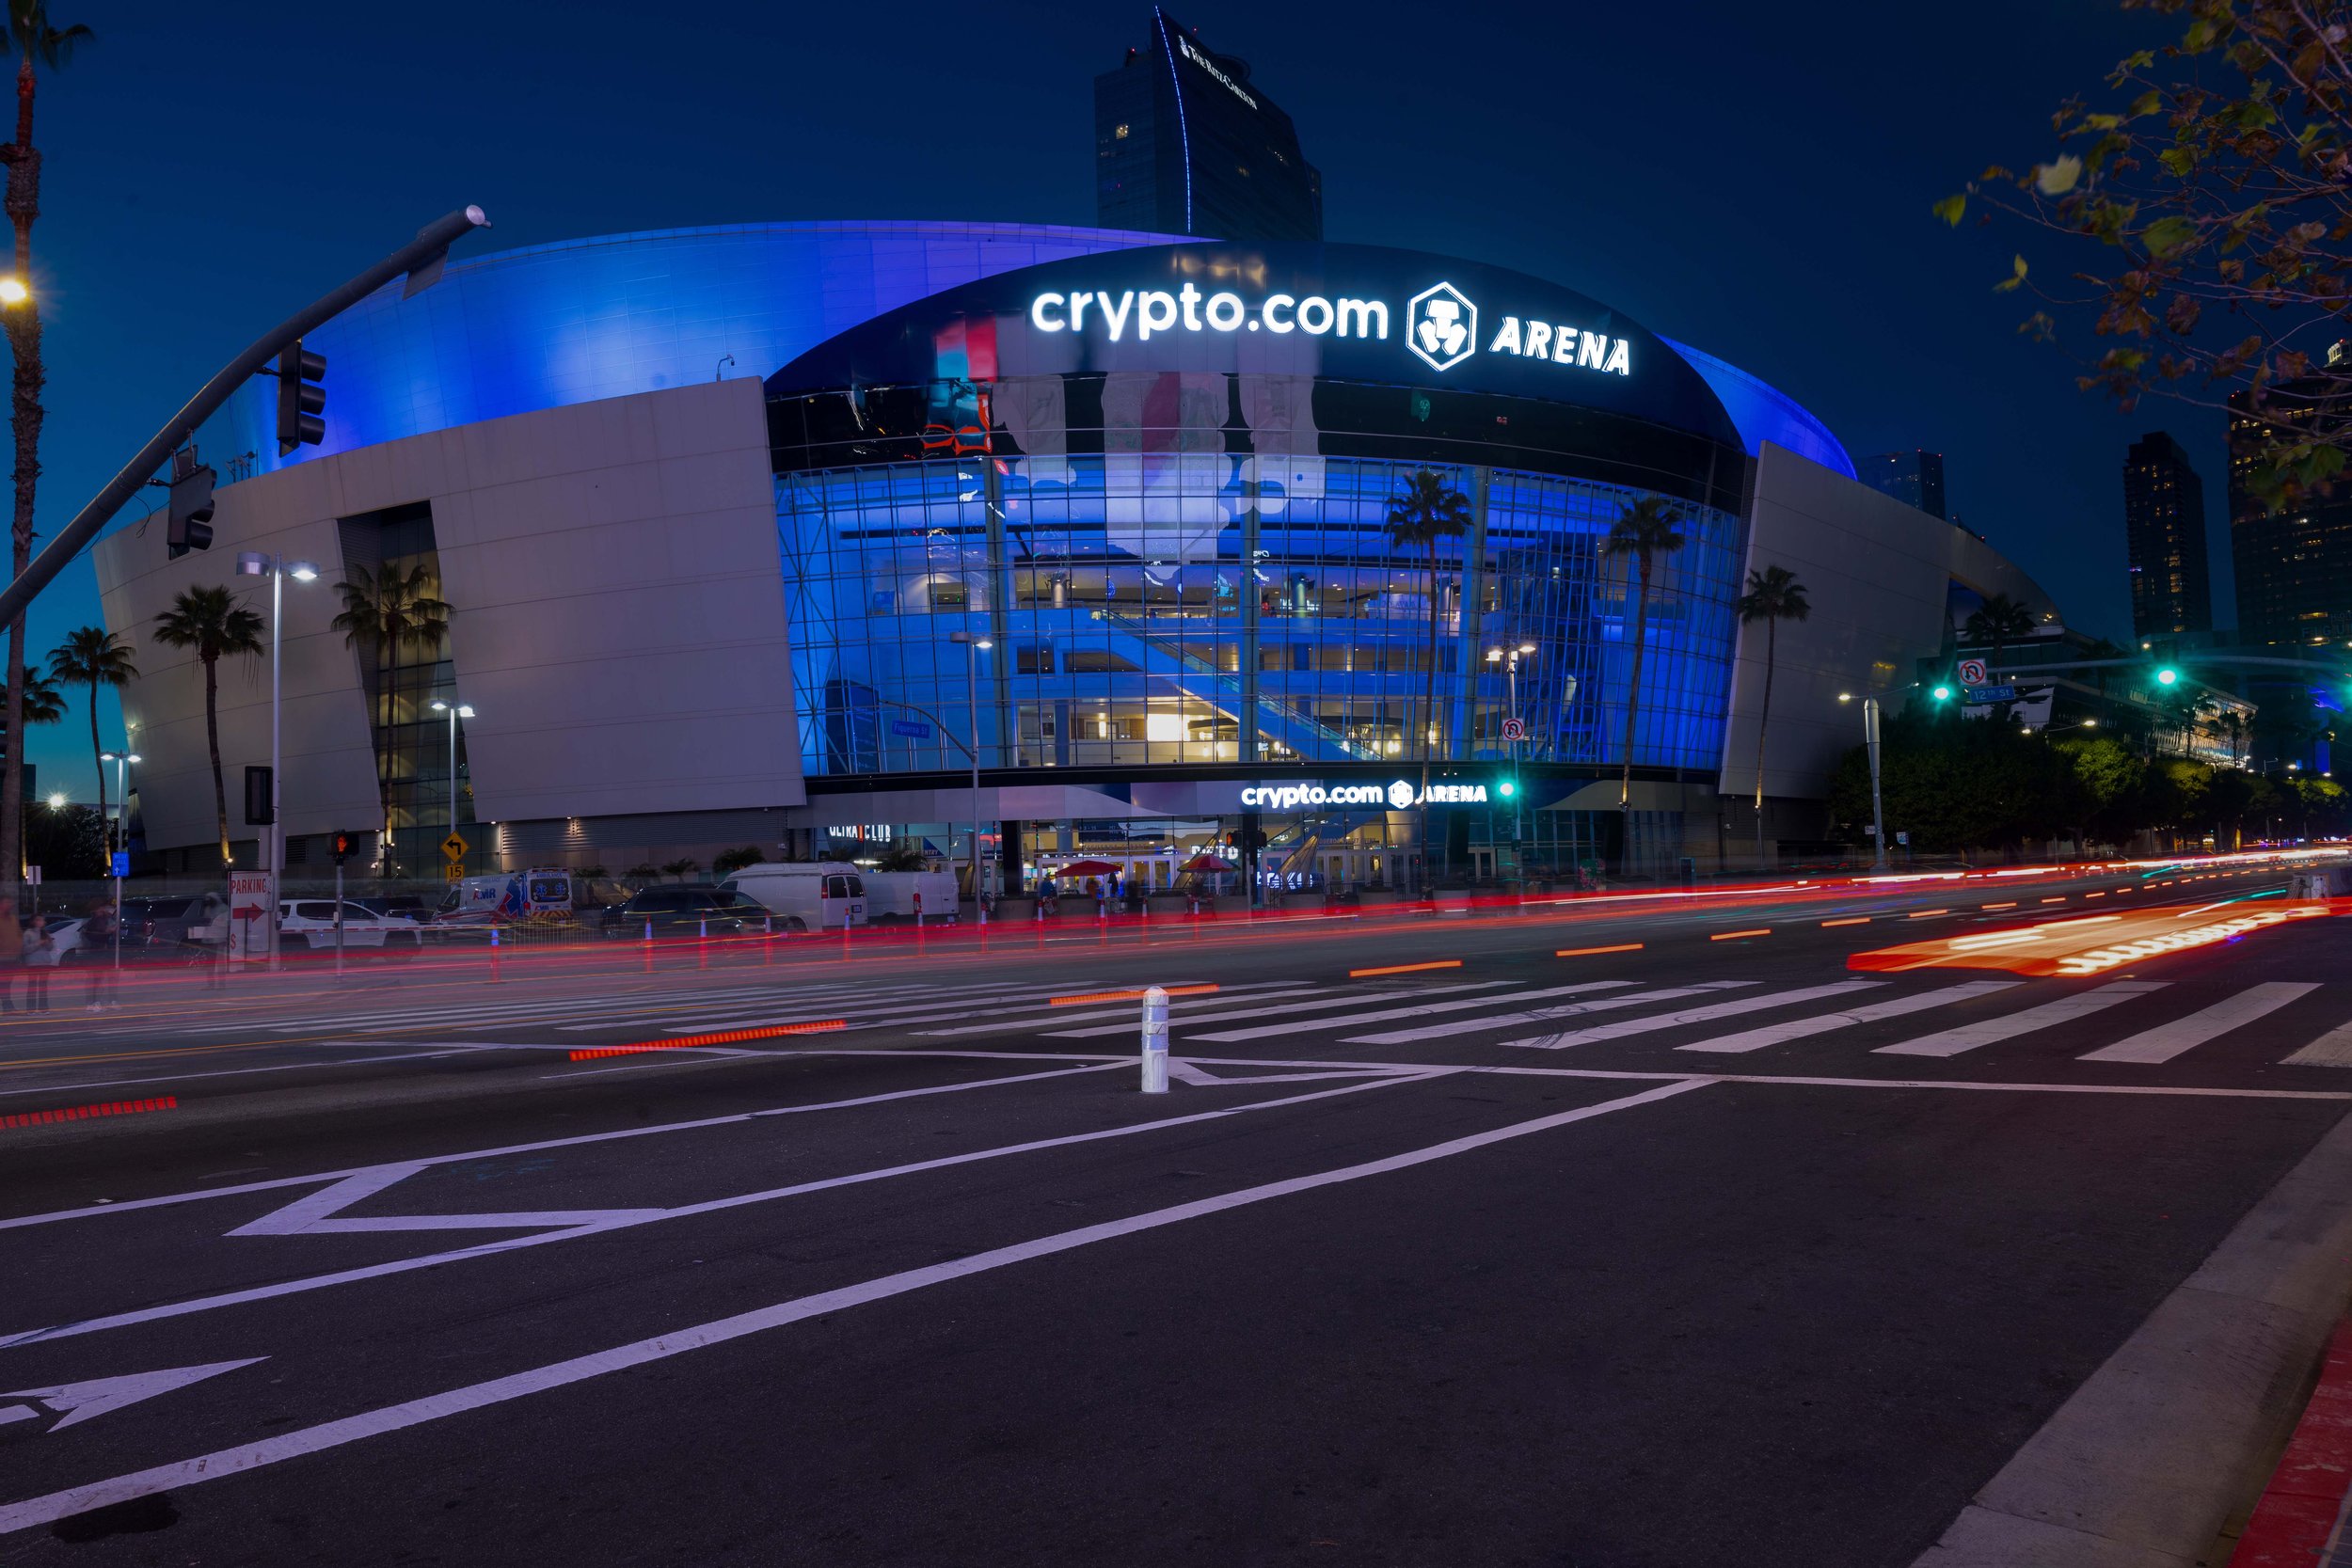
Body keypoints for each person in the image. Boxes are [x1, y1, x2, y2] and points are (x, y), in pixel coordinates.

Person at [81, 901, 116, 1011]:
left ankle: (96, 1002)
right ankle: (93, 1003)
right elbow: (98, 934)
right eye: (102, 908)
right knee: (96, 979)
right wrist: (108, 931)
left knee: (99, 979)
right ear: (97, 910)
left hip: (99, 953)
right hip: (96, 953)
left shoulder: (100, 920)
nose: (104, 910)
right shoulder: (95, 921)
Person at [20, 913, 57, 1014]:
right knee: (32, 986)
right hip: (33, 963)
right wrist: (38, 943)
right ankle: (30, 1009)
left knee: (43, 986)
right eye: (39, 920)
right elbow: (25, 949)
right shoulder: (28, 933)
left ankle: (43, 1008)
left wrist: (48, 942)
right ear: (34, 921)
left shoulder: (45, 932)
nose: (42, 922)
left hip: (44, 962)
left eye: (43, 920)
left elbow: (50, 948)